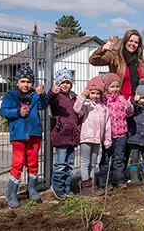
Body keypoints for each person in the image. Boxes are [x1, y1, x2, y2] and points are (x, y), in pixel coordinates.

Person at [0, 66, 48, 208]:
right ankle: (11, 192)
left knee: (33, 162)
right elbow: (3, 111)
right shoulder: (11, 96)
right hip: (18, 135)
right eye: (23, 81)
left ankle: (32, 188)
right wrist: (17, 112)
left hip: (34, 134)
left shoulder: (35, 96)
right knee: (18, 163)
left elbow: (44, 106)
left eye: (29, 81)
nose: (26, 84)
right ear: (17, 82)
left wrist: (43, 95)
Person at [73, 76, 112, 196]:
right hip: (86, 137)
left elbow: (107, 125)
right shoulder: (86, 105)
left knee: (94, 162)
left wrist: (107, 139)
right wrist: (82, 97)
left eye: (97, 93)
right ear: (88, 92)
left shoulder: (103, 108)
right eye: (92, 93)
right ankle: (86, 185)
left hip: (97, 139)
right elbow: (76, 109)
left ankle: (92, 183)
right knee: (85, 161)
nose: (95, 96)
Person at [48, 68, 81, 200]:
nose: (65, 85)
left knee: (69, 164)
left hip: (72, 135)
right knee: (60, 164)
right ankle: (57, 187)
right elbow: (49, 100)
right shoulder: (56, 97)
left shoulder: (74, 97)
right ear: (58, 83)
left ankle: (67, 187)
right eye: (62, 82)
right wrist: (52, 91)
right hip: (61, 134)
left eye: (68, 82)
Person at [99, 73, 134, 194]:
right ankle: (105, 183)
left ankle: (119, 180)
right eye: (112, 86)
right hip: (107, 135)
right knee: (106, 159)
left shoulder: (122, 98)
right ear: (106, 87)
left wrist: (129, 108)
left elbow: (128, 114)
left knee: (120, 158)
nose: (115, 89)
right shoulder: (103, 100)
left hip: (121, 133)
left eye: (117, 86)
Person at [89, 30, 144, 100]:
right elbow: (93, 61)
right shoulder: (114, 56)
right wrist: (102, 49)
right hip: (118, 101)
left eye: (136, 42)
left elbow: (142, 83)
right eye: (130, 41)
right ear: (125, 41)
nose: (133, 44)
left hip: (136, 101)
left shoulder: (140, 62)